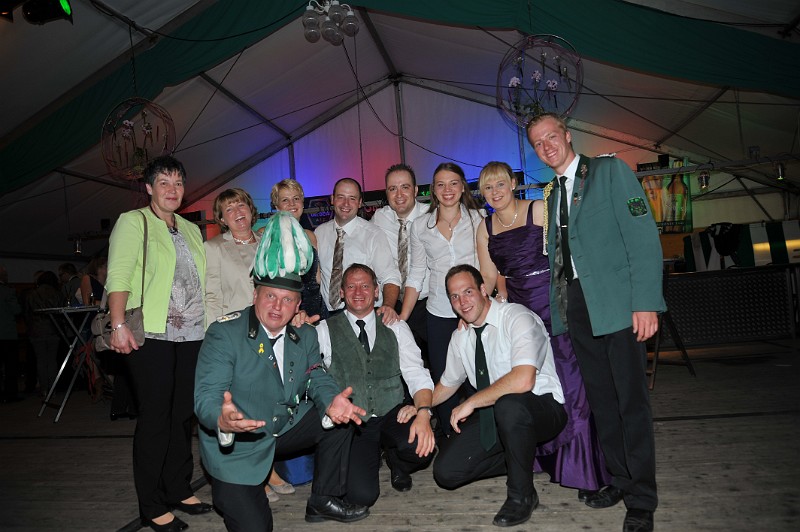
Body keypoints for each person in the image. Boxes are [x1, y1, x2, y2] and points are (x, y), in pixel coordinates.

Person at [527, 112, 666, 532]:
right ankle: (620, 479)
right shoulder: (552, 193)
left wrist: (645, 302)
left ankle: (641, 499)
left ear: (568, 136)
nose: (547, 146)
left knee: (631, 404)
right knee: (603, 403)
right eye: (538, 143)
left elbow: (643, 236)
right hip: (578, 308)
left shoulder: (609, 172)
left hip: (619, 306)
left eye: (552, 137)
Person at [195, 211, 369, 532]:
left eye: (287, 299)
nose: (277, 307)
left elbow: (315, 375)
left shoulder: (304, 334)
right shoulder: (224, 334)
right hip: (238, 443)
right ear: (255, 295)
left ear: (298, 305)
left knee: (340, 413)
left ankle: (323, 499)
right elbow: (207, 395)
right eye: (270, 296)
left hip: (282, 425)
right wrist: (220, 417)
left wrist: (332, 400)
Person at [476, 161, 610, 499]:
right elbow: (488, 276)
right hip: (520, 312)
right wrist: (474, 306)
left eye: (500, 184)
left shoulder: (538, 209)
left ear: (513, 183)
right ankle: (548, 460)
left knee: (572, 386)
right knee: (536, 387)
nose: (495, 192)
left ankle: (584, 470)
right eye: (488, 187)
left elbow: (564, 256)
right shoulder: (485, 227)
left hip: (554, 304)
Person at [106, 155, 210, 532]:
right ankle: (151, 504)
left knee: (182, 415)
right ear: (149, 187)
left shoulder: (191, 228)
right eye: (164, 182)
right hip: (151, 334)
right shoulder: (133, 221)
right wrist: (118, 323)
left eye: (178, 183)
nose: (172, 189)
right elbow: (119, 274)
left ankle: (178, 487)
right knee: (155, 418)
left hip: (193, 334)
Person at [432, 265, 566, 528]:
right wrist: (420, 407)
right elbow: (448, 384)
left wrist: (471, 402)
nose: (462, 301)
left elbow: (524, 379)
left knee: (509, 405)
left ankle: (521, 495)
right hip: (496, 414)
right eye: (455, 296)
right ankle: (522, 457)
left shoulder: (517, 317)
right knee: (446, 473)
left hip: (542, 407)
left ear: (484, 289)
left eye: (468, 291)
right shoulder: (460, 337)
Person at [315, 263, 435, 507]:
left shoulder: (395, 325)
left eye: (365, 286)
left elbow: (416, 372)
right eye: (351, 286)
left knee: (420, 447)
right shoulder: (325, 329)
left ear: (377, 291)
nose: (358, 292)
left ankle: (397, 460)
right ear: (341, 292)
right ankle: (372, 454)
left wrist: (423, 412)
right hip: (356, 421)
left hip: (392, 411)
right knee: (362, 496)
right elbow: (308, 370)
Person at [399, 162, 484, 435]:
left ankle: (482, 437)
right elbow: (416, 274)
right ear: (433, 190)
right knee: (443, 378)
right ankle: (449, 435)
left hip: (474, 311)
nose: (448, 189)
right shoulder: (420, 226)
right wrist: (402, 318)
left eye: (453, 183)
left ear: (463, 187)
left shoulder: (478, 218)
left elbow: (486, 266)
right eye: (441, 184)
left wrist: (483, 304)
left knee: (478, 376)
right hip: (438, 313)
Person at [315, 178, 401, 321]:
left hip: (365, 315)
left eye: (352, 198)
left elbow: (390, 277)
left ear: (360, 202)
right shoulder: (319, 233)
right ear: (332, 199)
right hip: (328, 316)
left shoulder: (373, 235)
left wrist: (387, 306)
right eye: (341, 197)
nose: (346, 204)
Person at [370, 164, 430, 356]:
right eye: (392, 189)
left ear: (416, 190)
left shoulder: (431, 216)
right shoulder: (379, 218)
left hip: (427, 304)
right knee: (397, 362)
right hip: (392, 303)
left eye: (405, 187)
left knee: (438, 363)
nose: (399, 195)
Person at [272, 179, 326, 320]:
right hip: (284, 309)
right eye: (285, 200)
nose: (292, 204)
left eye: (296, 198)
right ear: (277, 206)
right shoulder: (268, 235)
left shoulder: (310, 235)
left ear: (302, 203)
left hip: (316, 308)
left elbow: (318, 277)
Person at [25, 271, 62, 396]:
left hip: (36, 331)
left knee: (40, 360)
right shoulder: (57, 293)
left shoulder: (32, 294)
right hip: (53, 330)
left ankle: (44, 389)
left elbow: (27, 313)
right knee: (52, 360)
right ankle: (53, 388)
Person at [0, 265, 22, 403]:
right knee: (10, 366)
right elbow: (16, 310)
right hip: (7, 334)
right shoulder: (8, 291)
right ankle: (11, 394)